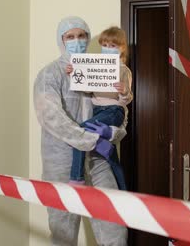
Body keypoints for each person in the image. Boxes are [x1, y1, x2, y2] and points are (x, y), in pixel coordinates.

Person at [33, 16, 128, 246]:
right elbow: (53, 120)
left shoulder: (100, 69)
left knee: (114, 228)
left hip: (98, 161)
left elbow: (119, 111)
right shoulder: (50, 75)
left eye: (82, 35)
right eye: (70, 37)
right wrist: (92, 139)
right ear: (61, 41)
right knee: (63, 234)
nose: (77, 41)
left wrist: (113, 133)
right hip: (63, 165)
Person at [67, 26, 133, 191]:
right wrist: (74, 75)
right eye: (105, 45)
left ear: (121, 48)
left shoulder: (123, 70)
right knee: (110, 156)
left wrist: (124, 91)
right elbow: (88, 89)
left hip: (113, 111)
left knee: (80, 132)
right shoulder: (95, 66)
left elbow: (126, 99)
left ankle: (76, 179)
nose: (108, 49)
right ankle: (123, 190)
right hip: (97, 110)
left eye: (113, 46)